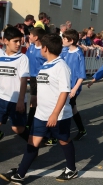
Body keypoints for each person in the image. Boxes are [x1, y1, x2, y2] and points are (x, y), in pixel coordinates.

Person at [0, 33, 78, 184]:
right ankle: (21, 173)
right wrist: (35, 98)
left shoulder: (61, 66)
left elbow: (64, 92)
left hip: (59, 115)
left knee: (64, 140)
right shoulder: (46, 65)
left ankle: (71, 169)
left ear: (46, 49)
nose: (40, 49)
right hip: (41, 114)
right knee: (32, 141)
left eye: (42, 46)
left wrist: (55, 114)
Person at [0, 27, 30, 142]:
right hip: (1, 98)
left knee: (17, 128)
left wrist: (21, 100)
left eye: (20, 41)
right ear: (5, 40)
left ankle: (33, 145)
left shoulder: (22, 58)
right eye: (15, 41)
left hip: (16, 100)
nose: (19, 44)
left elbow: (23, 80)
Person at [61, 29, 87, 141]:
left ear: (71, 41)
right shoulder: (64, 51)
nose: (62, 40)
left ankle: (58, 134)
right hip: (63, 85)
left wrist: (74, 89)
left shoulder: (78, 54)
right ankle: (82, 130)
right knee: (72, 108)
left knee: (65, 107)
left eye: (64, 38)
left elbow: (81, 75)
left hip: (72, 87)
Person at [25, 27, 47, 133]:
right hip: (33, 78)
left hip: (43, 78)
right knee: (33, 101)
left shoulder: (45, 49)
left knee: (40, 102)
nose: (29, 36)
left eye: (30, 35)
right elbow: (26, 59)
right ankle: (30, 124)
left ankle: (45, 128)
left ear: (36, 37)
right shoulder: (31, 47)